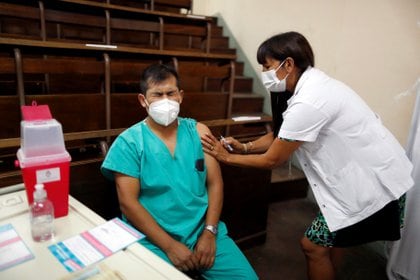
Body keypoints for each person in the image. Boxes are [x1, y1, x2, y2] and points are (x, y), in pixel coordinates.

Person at [201, 31, 414, 280]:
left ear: (288, 64)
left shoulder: (310, 100)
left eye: (267, 66)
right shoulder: (304, 87)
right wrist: (245, 147)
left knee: (312, 246)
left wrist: (226, 157)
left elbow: (274, 159)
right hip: (365, 176)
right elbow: (282, 135)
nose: (264, 73)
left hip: (373, 184)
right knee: (333, 242)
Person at [101, 64, 258, 279]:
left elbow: (215, 183)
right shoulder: (129, 143)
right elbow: (128, 203)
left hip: (202, 230)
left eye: (170, 93)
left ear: (180, 96)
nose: (165, 100)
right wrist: (169, 246)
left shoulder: (199, 132)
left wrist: (210, 232)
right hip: (152, 238)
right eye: (157, 95)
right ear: (142, 100)